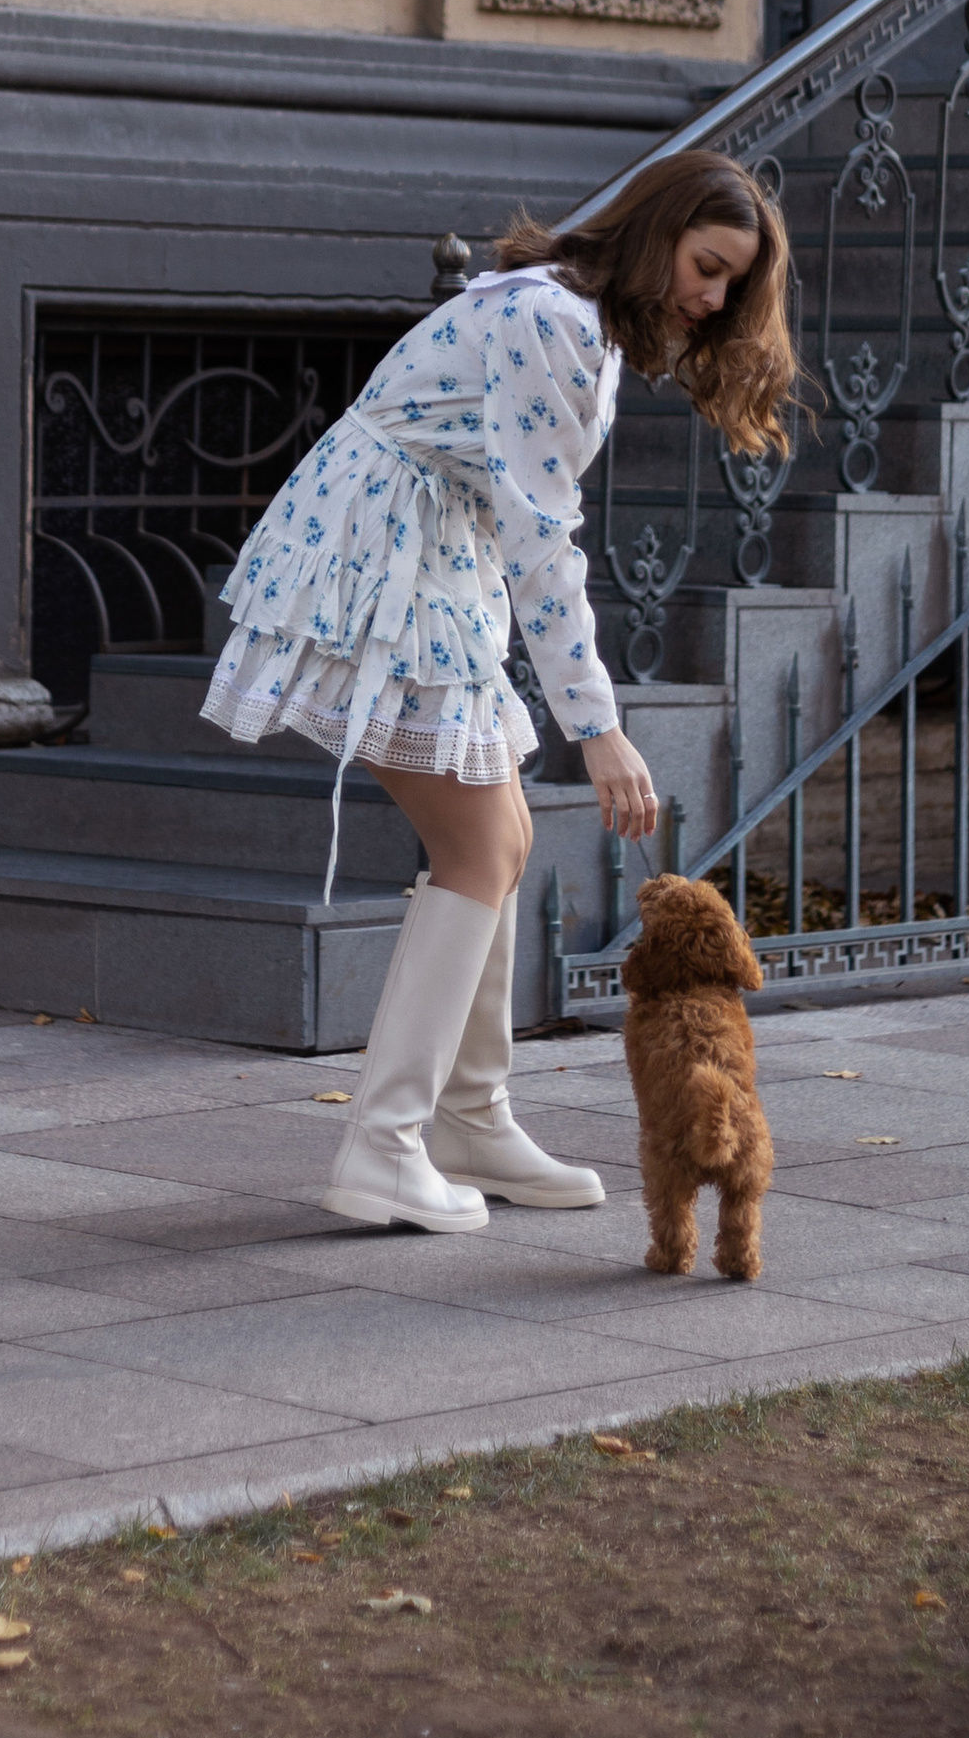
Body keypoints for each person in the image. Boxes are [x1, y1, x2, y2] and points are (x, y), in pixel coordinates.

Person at [203, 148, 798, 1234]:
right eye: (707, 268)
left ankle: (469, 1116)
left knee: (503, 838)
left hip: (426, 553)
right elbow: (538, 537)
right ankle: (384, 1143)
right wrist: (600, 730)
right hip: (390, 562)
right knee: (480, 849)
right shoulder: (553, 322)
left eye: (728, 287)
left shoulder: (576, 320)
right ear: (657, 228)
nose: (711, 300)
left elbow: (517, 521)